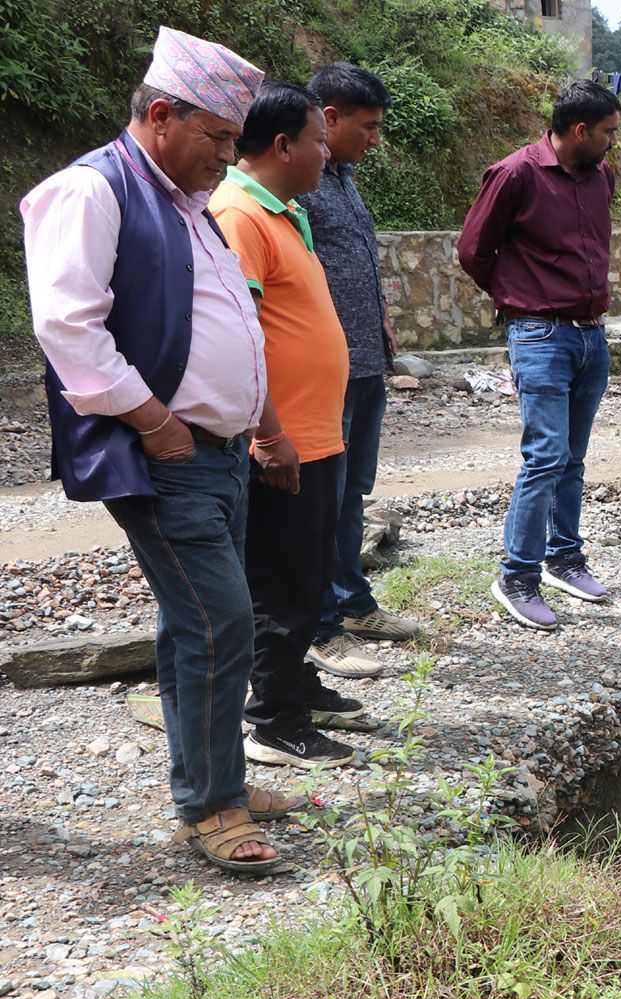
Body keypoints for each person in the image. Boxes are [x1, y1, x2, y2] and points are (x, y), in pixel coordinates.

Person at [20, 26, 305, 875]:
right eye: (217, 137)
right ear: (161, 113)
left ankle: (217, 781)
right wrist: (155, 421)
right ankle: (213, 808)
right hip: (166, 454)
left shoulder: (186, 202)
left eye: (231, 139)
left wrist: (263, 424)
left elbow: (230, 325)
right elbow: (67, 325)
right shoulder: (91, 190)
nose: (227, 154)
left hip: (220, 451)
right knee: (218, 619)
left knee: (196, 625)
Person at [210, 79, 366, 770]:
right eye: (318, 142)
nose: (326, 156)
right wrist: (268, 434)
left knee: (307, 570)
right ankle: (275, 718)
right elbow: (236, 337)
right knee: (284, 580)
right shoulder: (240, 213)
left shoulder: (281, 210)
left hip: (315, 432)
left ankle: (294, 684)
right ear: (283, 145)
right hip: (284, 439)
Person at [457, 79, 621, 631]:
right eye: (608, 132)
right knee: (546, 455)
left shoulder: (600, 175)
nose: (612, 142)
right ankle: (517, 574)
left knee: (573, 456)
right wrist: (520, 297)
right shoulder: (516, 173)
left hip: (590, 336)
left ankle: (563, 559)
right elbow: (473, 250)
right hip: (540, 335)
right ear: (580, 130)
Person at [303, 62, 422, 681]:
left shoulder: (343, 177)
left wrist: (379, 315)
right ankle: (320, 627)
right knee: (322, 499)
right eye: (368, 127)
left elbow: (351, 258)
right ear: (329, 117)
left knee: (353, 493)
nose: (376, 139)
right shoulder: (295, 179)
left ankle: (353, 603)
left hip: (366, 360)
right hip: (324, 370)